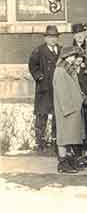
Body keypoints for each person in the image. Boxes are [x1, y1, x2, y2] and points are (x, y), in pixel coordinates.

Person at [28, 25, 61, 154]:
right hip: (44, 89)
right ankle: (40, 141)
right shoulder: (39, 51)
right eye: (50, 37)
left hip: (57, 88)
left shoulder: (61, 50)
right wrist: (39, 76)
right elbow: (32, 65)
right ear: (45, 38)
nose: (53, 39)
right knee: (42, 115)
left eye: (55, 37)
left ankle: (55, 140)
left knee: (57, 115)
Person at [53, 45, 84, 174]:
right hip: (67, 110)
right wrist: (68, 109)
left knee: (70, 137)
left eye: (74, 56)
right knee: (64, 137)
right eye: (70, 56)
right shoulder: (60, 71)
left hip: (74, 109)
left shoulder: (69, 70)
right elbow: (62, 92)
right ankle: (63, 163)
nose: (72, 59)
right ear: (64, 57)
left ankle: (70, 161)